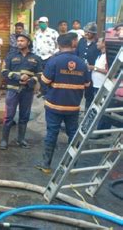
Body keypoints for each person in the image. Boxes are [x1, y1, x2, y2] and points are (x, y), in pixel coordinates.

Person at [35, 33, 91, 174]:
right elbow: (87, 84)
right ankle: (72, 167)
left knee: (52, 134)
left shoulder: (54, 61)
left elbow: (45, 81)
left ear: (59, 45)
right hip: (73, 106)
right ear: (73, 43)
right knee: (73, 134)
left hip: (54, 105)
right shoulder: (82, 63)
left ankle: (46, 165)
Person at [0, 34, 41, 150]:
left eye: (22, 40)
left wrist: (31, 80)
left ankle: (21, 139)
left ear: (28, 42)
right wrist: (19, 77)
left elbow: (40, 74)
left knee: (24, 116)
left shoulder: (36, 58)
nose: (19, 43)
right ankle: (4, 140)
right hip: (13, 90)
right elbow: (4, 71)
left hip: (27, 91)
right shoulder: (10, 56)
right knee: (9, 116)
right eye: (18, 41)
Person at [76, 22, 100, 111]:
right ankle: (75, 110)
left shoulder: (98, 43)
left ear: (94, 34)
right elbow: (76, 54)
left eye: (89, 32)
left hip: (91, 73)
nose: (86, 33)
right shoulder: (81, 41)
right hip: (79, 72)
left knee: (89, 94)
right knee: (77, 92)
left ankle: (87, 112)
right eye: (85, 31)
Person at [33, 16, 59, 96]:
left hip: (50, 57)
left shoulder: (53, 32)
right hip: (39, 57)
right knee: (40, 75)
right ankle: (43, 91)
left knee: (50, 74)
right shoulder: (36, 33)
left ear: (47, 23)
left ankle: (50, 91)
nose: (41, 24)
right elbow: (34, 45)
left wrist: (54, 54)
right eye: (40, 23)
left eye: (43, 23)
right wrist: (34, 56)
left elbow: (58, 44)